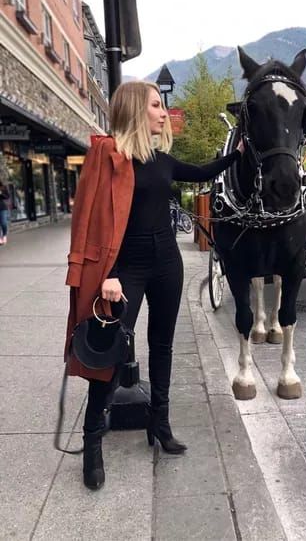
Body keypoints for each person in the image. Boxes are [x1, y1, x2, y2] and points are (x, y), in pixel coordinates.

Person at [64, 81, 244, 490]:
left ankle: (159, 424)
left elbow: (201, 173)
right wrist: (105, 273)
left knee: (163, 345)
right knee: (108, 352)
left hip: (167, 261)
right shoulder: (109, 155)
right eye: (157, 105)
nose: (165, 112)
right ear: (135, 110)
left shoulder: (161, 160)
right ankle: (92, 441)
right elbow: (89, 219)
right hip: (125, 266)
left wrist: (236, 155)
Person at [0, 180, 10, 245]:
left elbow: (7, 196)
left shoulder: (3, 187)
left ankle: (4, 235)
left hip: (2, 208)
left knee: (3, 223)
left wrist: (1, 193)